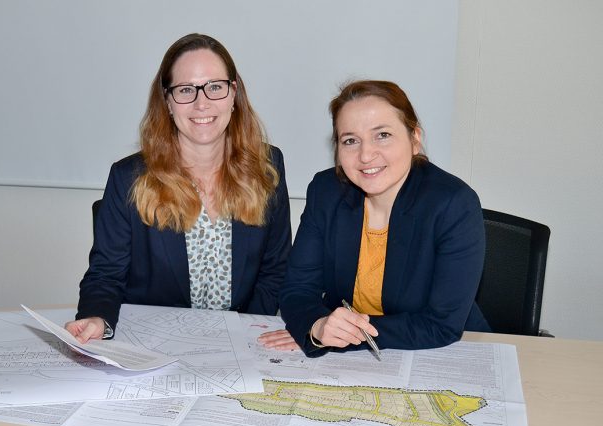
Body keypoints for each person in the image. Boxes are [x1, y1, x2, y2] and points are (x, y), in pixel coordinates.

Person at [66, 33, 292, 343]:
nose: (202, 103)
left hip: (241, 345)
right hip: (156, 345)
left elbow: (275, 269)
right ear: (168, 102)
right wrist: (96, 318)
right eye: (186, 90)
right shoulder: (128, 177)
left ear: (233, 95)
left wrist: (244, 334)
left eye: (215, 87)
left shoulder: (268, 166)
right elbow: (106, 275)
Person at [261, 80, 490, 356]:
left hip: (443, 351)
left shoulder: (453, 204)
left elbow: (440, 325)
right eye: (350, 140)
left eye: (382, 135)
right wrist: (317, 327)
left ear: (414, 138)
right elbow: (296, 289)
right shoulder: (327, 191)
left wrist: (344, 335)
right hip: (359, 365)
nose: (366, 155)